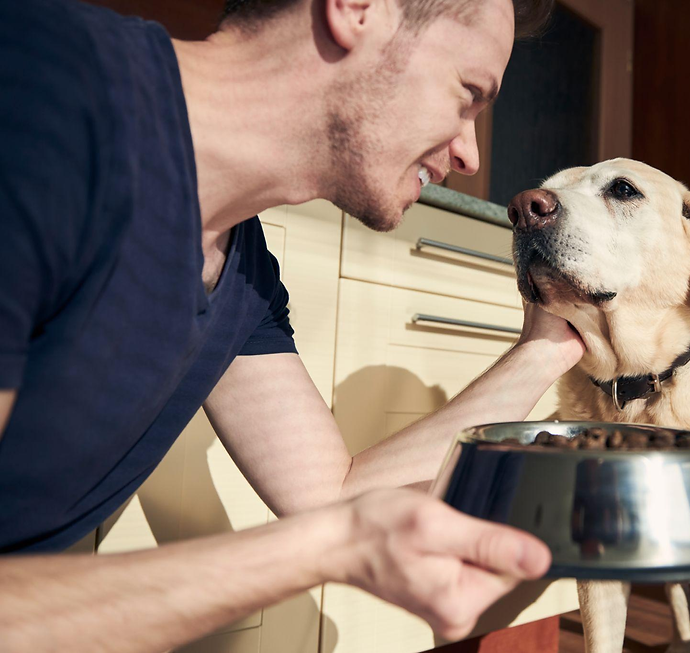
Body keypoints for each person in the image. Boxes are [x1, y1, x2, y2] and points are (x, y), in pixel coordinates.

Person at [0, 0, 586, 649]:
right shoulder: (38, 94)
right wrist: (332, 545)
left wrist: (545, 348)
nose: (471, 154)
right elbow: (338, 527)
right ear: (358, 8)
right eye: (468, 94)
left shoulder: (239, 266)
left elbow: (334, 495)